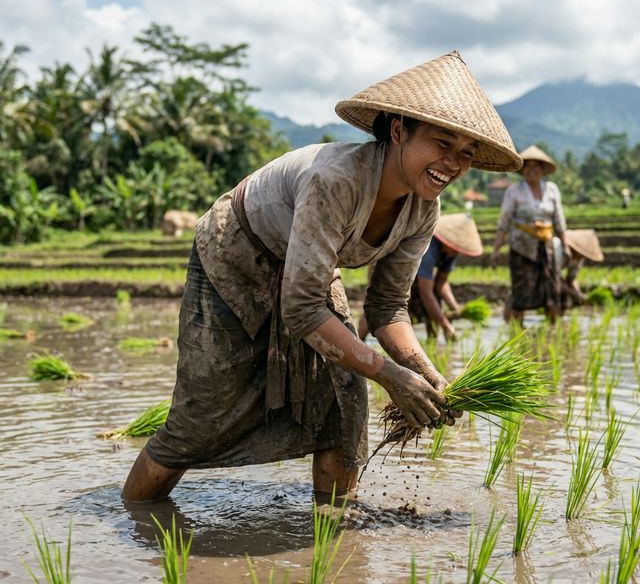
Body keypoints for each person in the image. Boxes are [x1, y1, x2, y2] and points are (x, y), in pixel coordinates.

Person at [122, 51, 522, 502]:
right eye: (441, 144)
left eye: (465, 154)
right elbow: (303, 307)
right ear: (398, 131)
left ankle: (335, 529)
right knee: (201, 414)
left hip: (309, 272)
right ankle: (139, 519)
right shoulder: (337, 178)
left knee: (343, 398)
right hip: (237, 254)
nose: (452, 162)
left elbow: (388, 307)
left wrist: (425, 374)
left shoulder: (424, 209)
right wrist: (390, 376)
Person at [490, 145, 568, 324]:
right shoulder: (514, 191)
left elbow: (559, 221)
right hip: (521, 249)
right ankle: (518, 333)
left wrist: (565, 245)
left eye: (535, 166)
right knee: (521, 293)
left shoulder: (552, 189)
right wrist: (495, 250)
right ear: (522, 170)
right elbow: (504, 223)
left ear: (542, 169)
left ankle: (551, 332)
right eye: (527, 166)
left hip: (546, 249)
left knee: (552, 290)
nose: (531, 170)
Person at [415, 213, 483, 341]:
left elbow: (441, 283)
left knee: (435, 308)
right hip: (399, 277)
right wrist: (446, 326)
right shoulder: (428, 247)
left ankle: (431, 348)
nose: (456, 251)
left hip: (422, 280)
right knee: (382, 311)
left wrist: (455, 308)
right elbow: (425, 292)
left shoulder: (450, 252)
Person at [555, 229, 604, 309]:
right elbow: (554, 279)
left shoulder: (579, 259)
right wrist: (574, 294)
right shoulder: (558, 249)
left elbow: (571, 279)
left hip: (553, 276)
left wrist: (578, 293)